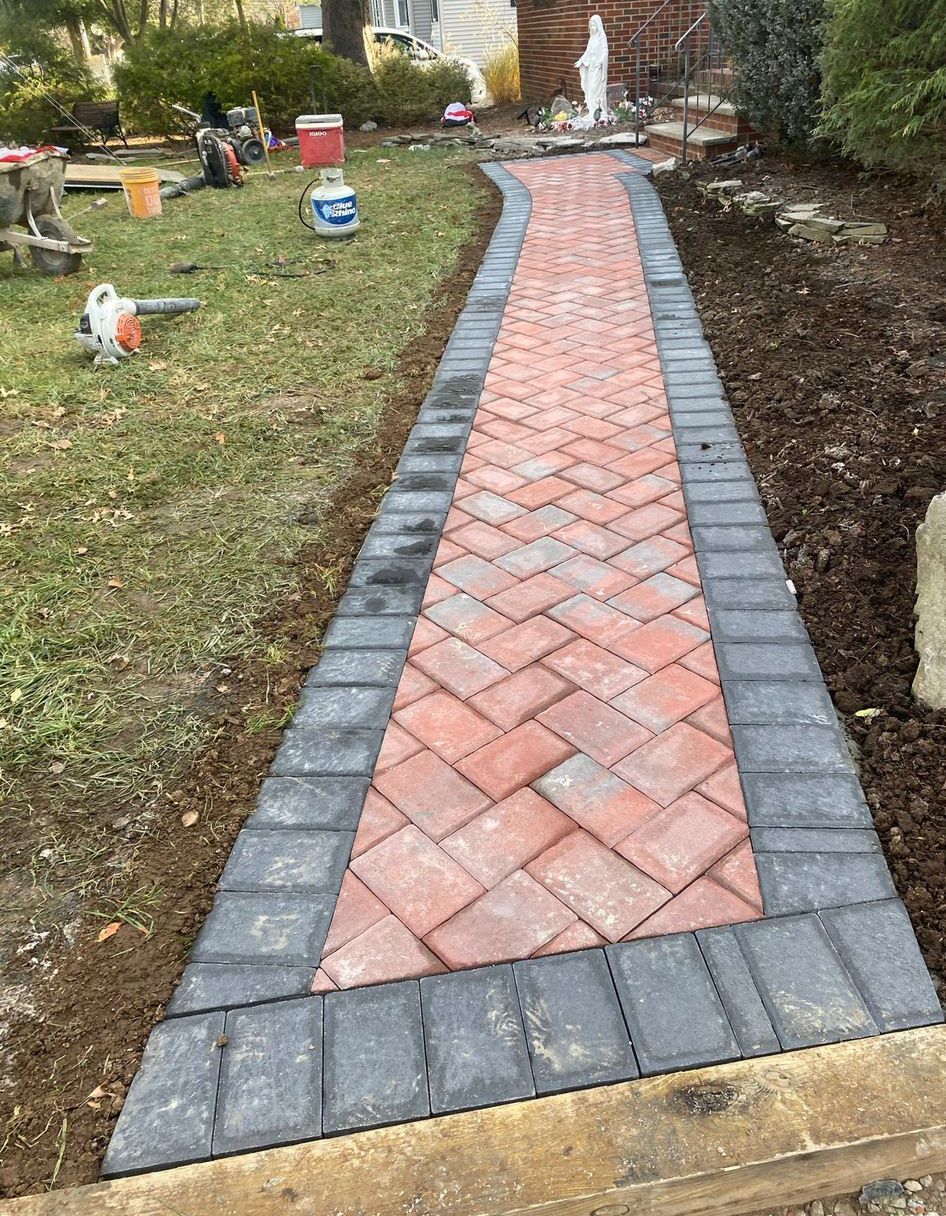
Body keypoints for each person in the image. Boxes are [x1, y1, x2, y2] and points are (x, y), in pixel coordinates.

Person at [576, 14, 609, 121]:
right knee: (590, 88)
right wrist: (580, 60)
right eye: (590, 26)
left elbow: (605, 52)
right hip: (591, 66)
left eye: (594, 25)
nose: (592, 28)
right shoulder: (592, 38)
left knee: (596, 88)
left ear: (598, 26)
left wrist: (600, 62)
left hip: (598, 67)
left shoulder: (601, 38)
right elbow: (587, 52)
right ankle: (593, 110)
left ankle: (599, 110)